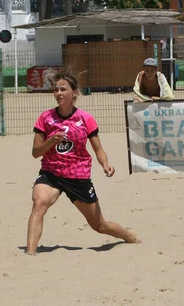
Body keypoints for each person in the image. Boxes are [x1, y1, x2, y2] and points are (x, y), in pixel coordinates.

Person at [26, 70, 140, 255]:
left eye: (63, 89)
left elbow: (98, 149)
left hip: (77, 176)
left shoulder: (85, 119)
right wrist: (51, 141)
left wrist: (105, 164)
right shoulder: (45, 118)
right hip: (51, 173)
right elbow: (35, 153)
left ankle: (129, 236)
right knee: (39, 203)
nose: (59, 93)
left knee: (100, 225)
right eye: (55, 90)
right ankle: (30, 254)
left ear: (75, 92)